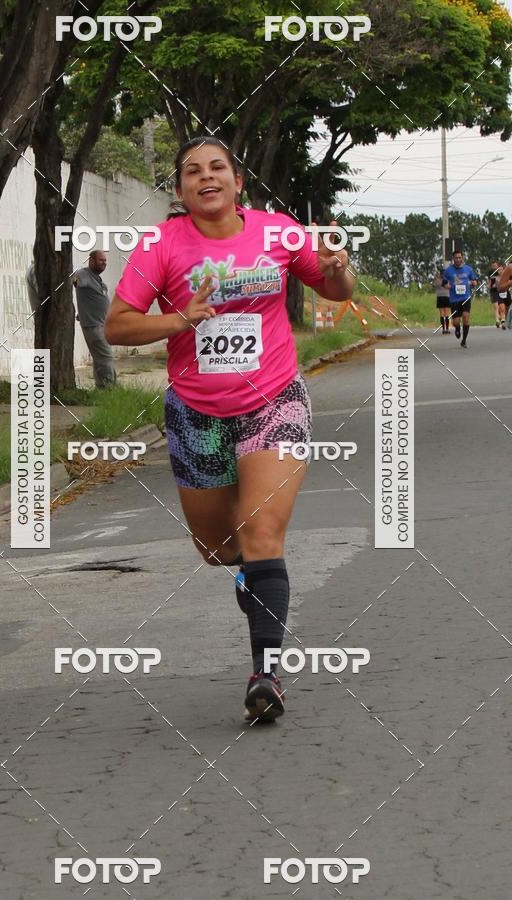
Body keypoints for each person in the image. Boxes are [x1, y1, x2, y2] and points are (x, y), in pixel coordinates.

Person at [104, 136, 354, 722]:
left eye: (217, 167)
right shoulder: (161, 244)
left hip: (273, 400)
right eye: (193, 171)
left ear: (238, 182)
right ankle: (253, 578)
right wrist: (179, 319)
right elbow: (117, 326)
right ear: (180, 189)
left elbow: (334, 289)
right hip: (196, 412)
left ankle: (265, 676)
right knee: (219, 548)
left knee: (263, 531)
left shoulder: (279, 232)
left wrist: (340, 271)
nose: (206, 177)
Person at [73, 250, 117, 389]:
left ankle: (101, 388)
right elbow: (73, 279)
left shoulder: (97, 278)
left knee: (100, 359)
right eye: (101, 260)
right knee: (106, 357)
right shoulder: (83, 274)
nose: (104, 263)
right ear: (91, 260)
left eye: (105, 261)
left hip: (101, 324)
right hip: (93, 326)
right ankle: (110, 388)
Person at [442, 250, 478, 349]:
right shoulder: (448, 270)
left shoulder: (468, 269)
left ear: (462, 258)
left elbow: (474, 280)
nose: (458, 259)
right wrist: (446, 285)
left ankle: (464, 340)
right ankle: (457, 328)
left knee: (466, 318)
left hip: (465, 297)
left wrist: (474, 283)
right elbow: (444, 283)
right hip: (454, 299)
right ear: (453, 259)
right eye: (456, 258)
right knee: (456, 322)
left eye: (459, 257)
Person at [488, 261, 509, 329]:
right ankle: (497, 321)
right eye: (493, 266)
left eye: (495, 266)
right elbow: (489, 285)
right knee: (496, 307)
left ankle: (503, 321)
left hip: (501, 292)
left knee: (502, 308)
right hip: (494, 292)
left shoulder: (505, 275)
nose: (494, 267)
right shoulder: (492, 275)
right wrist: (491, 286)